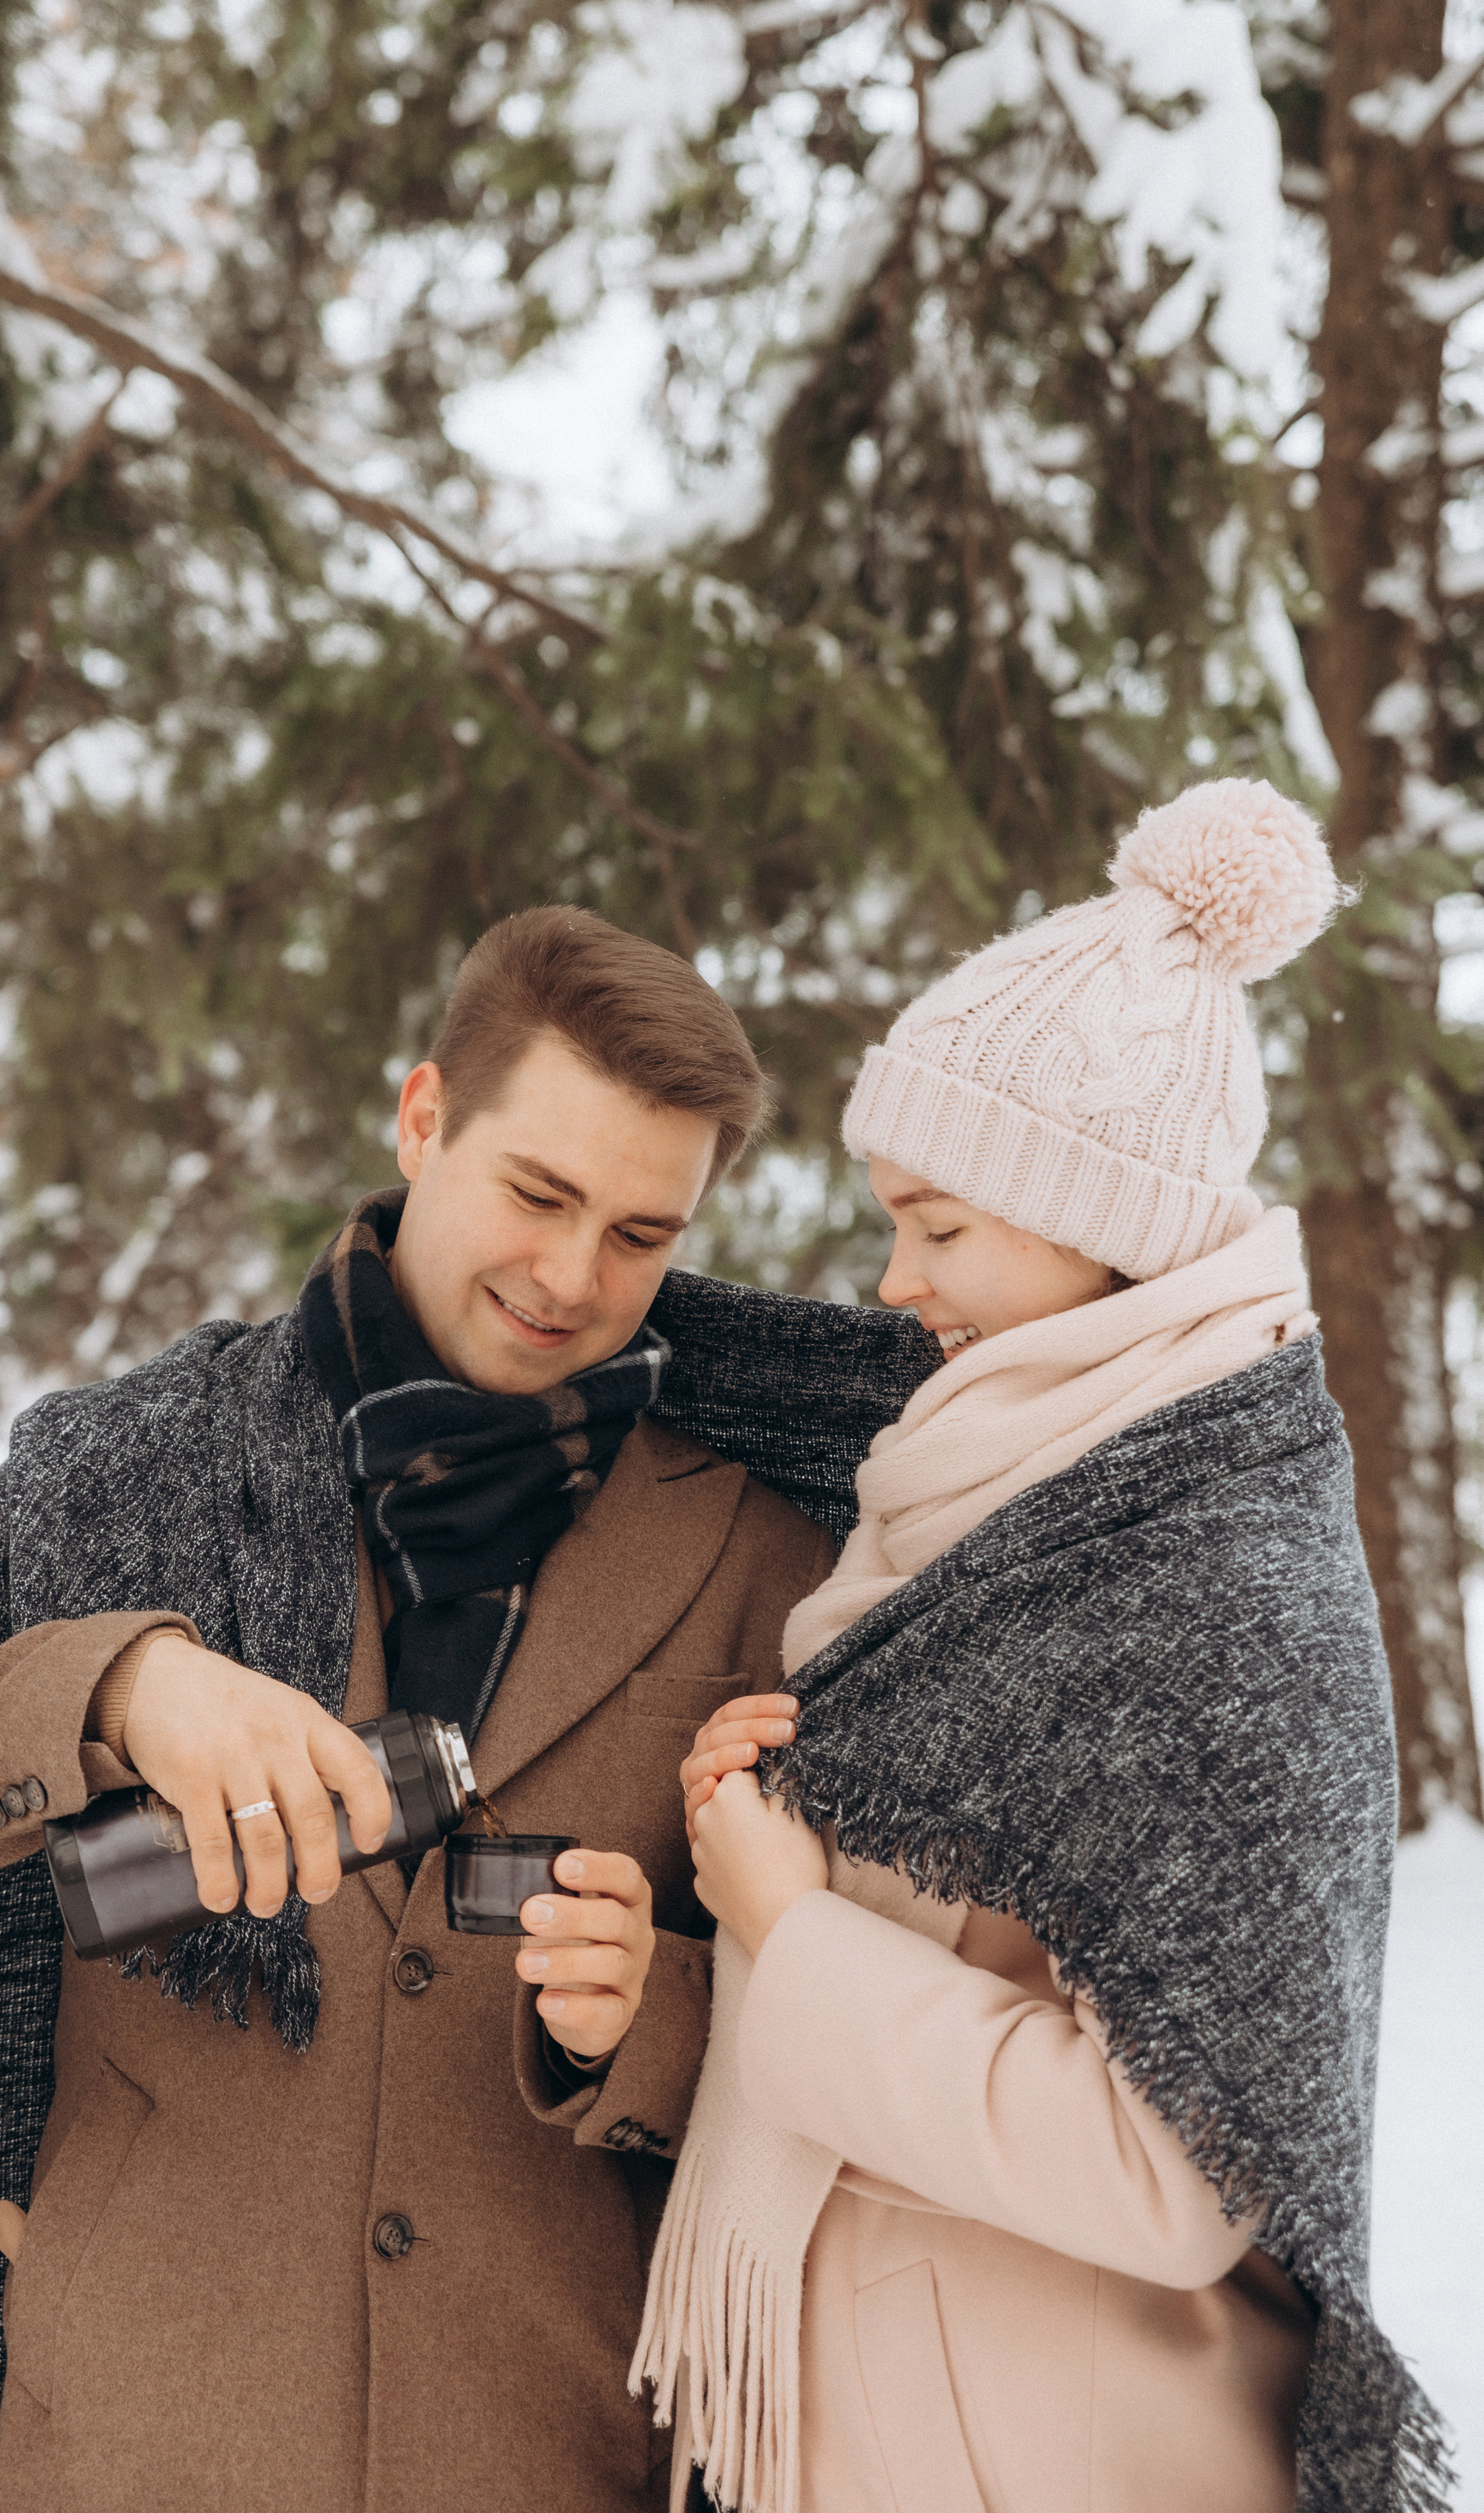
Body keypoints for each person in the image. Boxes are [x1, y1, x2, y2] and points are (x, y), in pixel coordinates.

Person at [0, 908, 937, 2513]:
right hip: (127, 2448)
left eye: (642, 1235)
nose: (573, 1279)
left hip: (543, 2456)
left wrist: (652, 2013)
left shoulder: (768, 1556)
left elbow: (867, 2031)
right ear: (423, 1116)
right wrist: (118, 1684)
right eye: (539, 1193)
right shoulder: (122, 1464)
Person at [634, 781, 1448, 2513]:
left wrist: (788, 1921)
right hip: (861, 2413)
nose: (891, 1279)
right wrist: (768, 1841)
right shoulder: (986, 1480)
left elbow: (1174, 2180)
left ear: (1110, 1222)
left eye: (938, 1225)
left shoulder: (1217, 1573)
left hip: (1044, 2449)